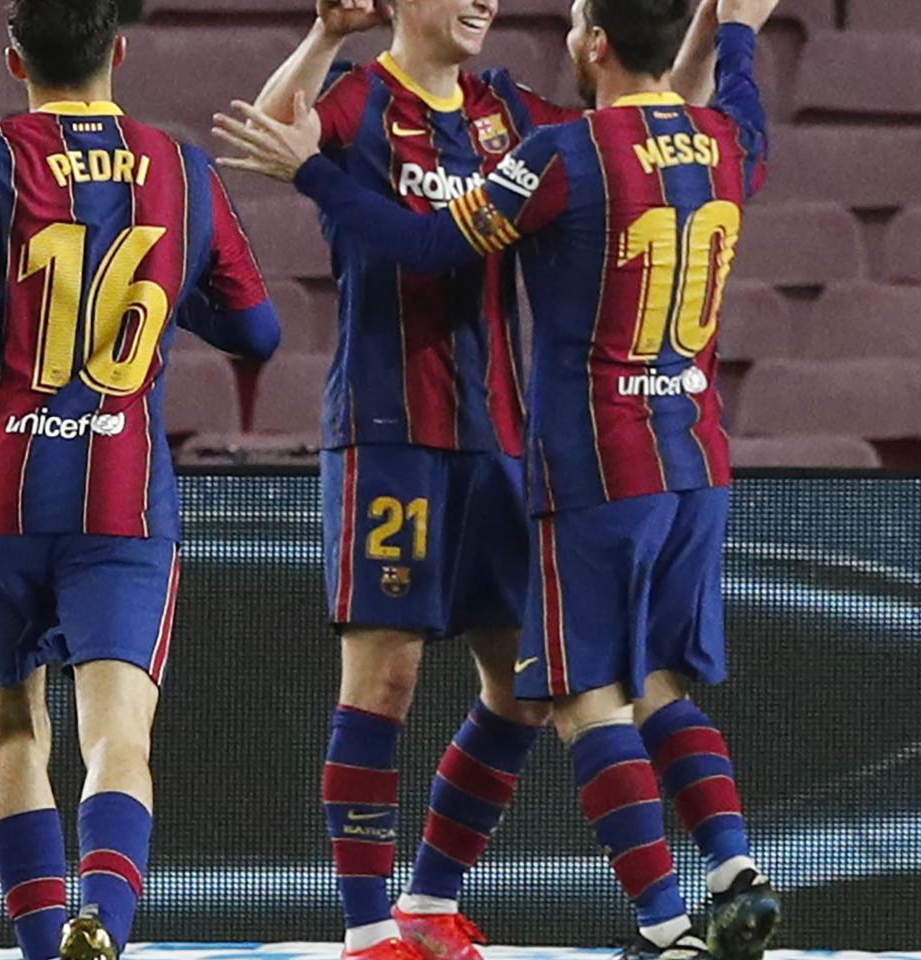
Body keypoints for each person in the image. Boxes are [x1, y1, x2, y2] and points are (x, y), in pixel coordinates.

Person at [213, 0, 780, 956]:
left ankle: (431, 904)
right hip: (392, 430)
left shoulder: (513, 113)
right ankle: (365, 928)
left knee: (527, 688)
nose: (482, 0)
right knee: (385, 680)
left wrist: (710, 29)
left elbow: (642, 132)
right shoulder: (359, 97)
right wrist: (325, 37)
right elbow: (277, 125)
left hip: (506, 434)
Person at [0, 2, 279, 959]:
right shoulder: (182, 169)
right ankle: (104, 927)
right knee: (118, 739)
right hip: (120, 490)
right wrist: (159, 302)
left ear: (13, 60)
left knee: (14, 732)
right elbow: (259, 333)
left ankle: (41, 948)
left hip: (3, 486)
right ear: (121, 50)